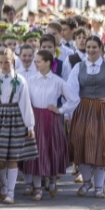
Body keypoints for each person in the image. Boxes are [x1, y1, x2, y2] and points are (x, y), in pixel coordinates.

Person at [63, 36, 105, 199]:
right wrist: (68, 111)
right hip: (83, 109)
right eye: (88, 47)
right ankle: (87, 182)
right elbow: (70, 90)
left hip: (102, 110)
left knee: (101, 147)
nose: (91, 50)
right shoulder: (78, 67)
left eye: (94, 47)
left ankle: (99, 186)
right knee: (82, 146)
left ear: (100, 49)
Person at [0, 48, 38, 204]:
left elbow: (25, 103)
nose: (3, 65)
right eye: (0, 62)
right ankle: (4, 185)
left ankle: (10, 192)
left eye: (6, 62)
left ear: (13, 62)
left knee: (13, 157)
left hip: (15, 118)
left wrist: (30, 126)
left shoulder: (20, 80)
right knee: (0, 158)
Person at [21, 49, 68, 200]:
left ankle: (52, 178)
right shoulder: (31, 80)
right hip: (35, 118)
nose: (36, 64)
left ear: (48, 62)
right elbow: (25, 100)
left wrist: (60, 110)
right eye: (35, 61)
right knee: (35, 153)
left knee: (50, 148)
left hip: (50, 118)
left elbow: (74, 98)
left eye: (38, 61)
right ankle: (37, 188)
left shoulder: (57, 81)